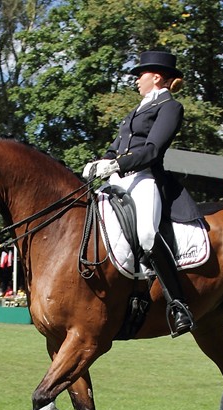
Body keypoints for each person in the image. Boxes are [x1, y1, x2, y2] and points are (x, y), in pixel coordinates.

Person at [82, 50, 197, 337]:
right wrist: (100, 161)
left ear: (156, 77)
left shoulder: (171, 107)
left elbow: (152, 150)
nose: (136, 80)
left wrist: (116, 164)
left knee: (146, 233)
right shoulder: (136, 110)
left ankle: (178, 305)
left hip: (145, 178)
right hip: (118, 180)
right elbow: (115, 146)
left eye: (140, 75)